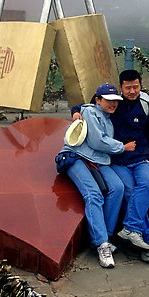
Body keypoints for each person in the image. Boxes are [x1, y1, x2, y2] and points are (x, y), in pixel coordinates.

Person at [72, 69, 149, 264]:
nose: (132, 91)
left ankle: (131, 228)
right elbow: (87, 105)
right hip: (118, 160)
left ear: (140, 85)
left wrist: (146, 151)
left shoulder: (147, 104)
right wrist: (76, 112)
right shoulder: (114, 103)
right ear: (121, 88)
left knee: (147, 183)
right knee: (129, 191)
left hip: (139, 159)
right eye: (128, 87)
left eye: (135, 87)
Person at [56, 82, 136, 269]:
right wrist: (122, 147)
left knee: (118, 187)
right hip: (76, 157)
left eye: (115, 100)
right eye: (108, 100)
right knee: (93, 194)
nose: (113, 104)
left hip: (99, 160)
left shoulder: (108, 118)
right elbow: (97, 141)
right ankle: (101, 244)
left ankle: (106, 235)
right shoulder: (90, 112)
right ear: (98, 99)